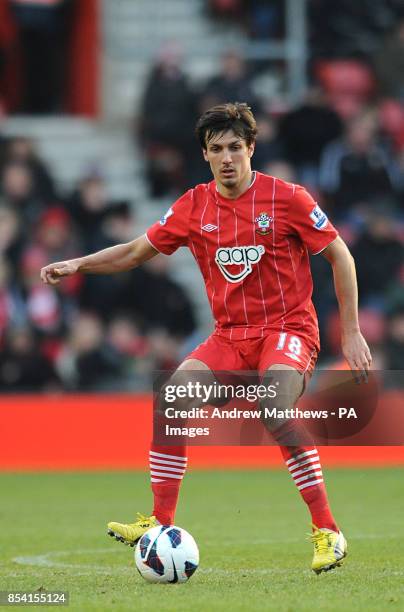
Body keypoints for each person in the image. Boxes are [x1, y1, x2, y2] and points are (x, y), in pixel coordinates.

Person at [40, 102, 371, 574]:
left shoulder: (288, 198)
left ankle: (328, 531)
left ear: (251, 148)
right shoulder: (194, 206)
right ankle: (158, 521)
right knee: (172, 399)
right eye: (217, 149)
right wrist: (79, 263)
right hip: (230, 337)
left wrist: (353, 331)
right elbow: (135, 251)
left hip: (288, 329)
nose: (228, 157)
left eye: (236, 147)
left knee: (274, 405)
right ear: (205, 155)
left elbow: (341, 256)